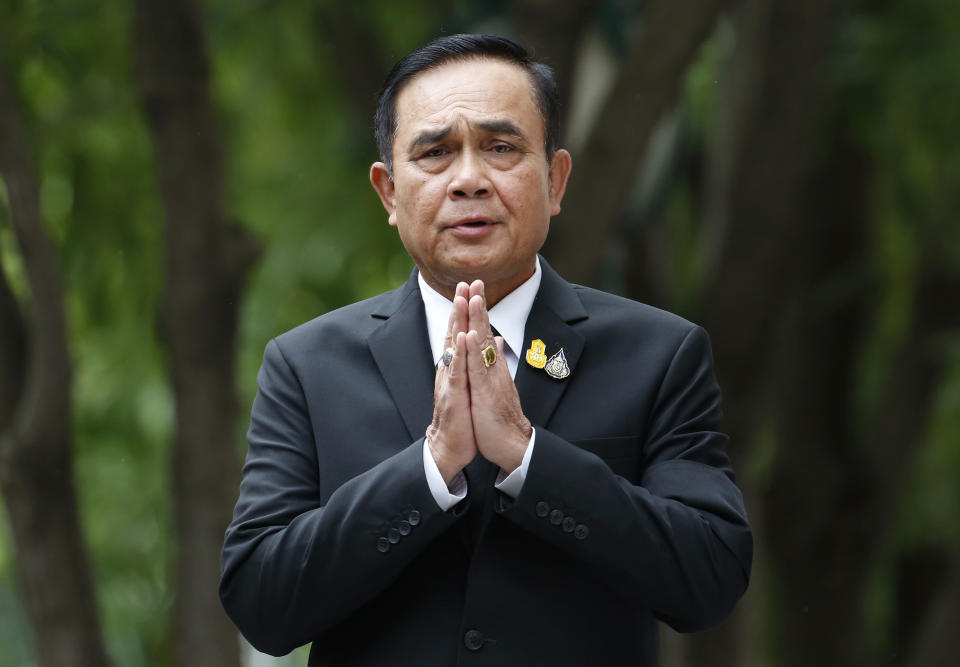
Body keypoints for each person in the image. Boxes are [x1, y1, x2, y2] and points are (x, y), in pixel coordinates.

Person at [220, 34, 752, 666]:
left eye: (501, 148)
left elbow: (710, 579)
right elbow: (261, 603)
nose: (469, 179)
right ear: (389, 193)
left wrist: (529, 458)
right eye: (436, 153)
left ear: (555, 180)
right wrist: (431, 466)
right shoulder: (307, 366)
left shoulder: (659, 354)